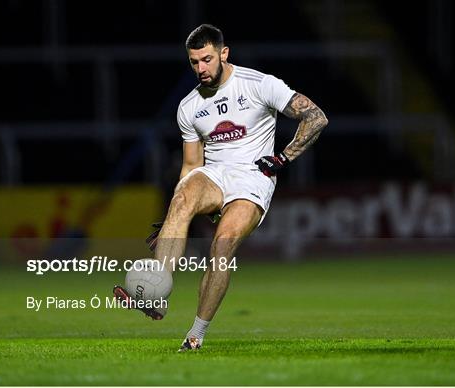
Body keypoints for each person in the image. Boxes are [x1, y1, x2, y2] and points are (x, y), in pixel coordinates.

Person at [114, 24, 328, 351]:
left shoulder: (260, 84)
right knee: (183, 195)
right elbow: (190, 166)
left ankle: (196, 334)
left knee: (222, 246)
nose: (200, 68)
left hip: (253, 178)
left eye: (207, 59)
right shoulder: (188, 106)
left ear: (223, 53)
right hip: (214, 174)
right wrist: (176, 214)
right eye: (194, 62)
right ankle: (155, 296)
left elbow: (315, 117)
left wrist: (283, 158)